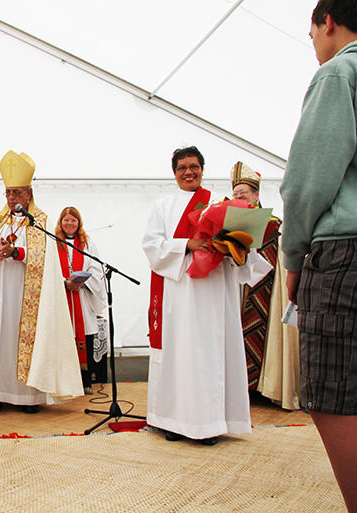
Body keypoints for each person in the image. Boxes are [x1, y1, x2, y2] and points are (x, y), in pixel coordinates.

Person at [142, 146, 272, 445]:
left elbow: (242, 244)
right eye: (182, 167)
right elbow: (151, 245)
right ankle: (172, 420)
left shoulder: (219, 203)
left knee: (208, 353)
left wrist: (227, 245)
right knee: (178, 352)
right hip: (178, 291)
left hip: (213, 290)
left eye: (194, 166)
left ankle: (211, 423)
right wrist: (189, 244)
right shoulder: (163, 205)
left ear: (203, 168)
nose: (189, 172)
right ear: (174, 172)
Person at [280, 1, 357, 509]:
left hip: (344, 252)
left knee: (333, 393)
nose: (314, 47)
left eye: (311, 36)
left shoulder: (340, 71)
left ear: (327, 22)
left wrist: (292, 256)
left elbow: (308, 181)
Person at [0, 150, 83, 415]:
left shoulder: (40, 222)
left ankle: (28, 398)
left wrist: (17, 253)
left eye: (17, 193)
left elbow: (44, 259)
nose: (12, 198)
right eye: (8, 193)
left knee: (26, 340)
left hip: (27, 295)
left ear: (29, 194)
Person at [230, 162, 282, 390]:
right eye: (235, 193)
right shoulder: (228, 225)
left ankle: (263, 384)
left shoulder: (273, 224)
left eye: (244, 193)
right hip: (237, 292)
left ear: (256, 195)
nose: (239, 196)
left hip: (265, 292)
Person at [55, 207, 108, 394]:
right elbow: (49, 269)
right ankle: (63, 382)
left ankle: (85, 380)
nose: (70, 224)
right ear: (60, 222)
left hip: (82, 296)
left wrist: (81, 282)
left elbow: (96, 268)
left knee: (84, 336)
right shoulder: (53, 242)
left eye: (73, 220)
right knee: (62, 338)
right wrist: (64, 282)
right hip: (61, 297)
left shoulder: (87, 243)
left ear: (79, 223)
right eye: (66, 220)